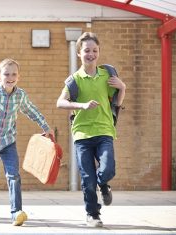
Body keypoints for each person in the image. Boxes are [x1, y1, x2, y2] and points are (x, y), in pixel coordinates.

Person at [0, 58, 54, 226]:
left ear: (18, 76)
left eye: (14, 74)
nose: (10, 77)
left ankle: (16, 212)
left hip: (8, 142)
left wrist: (46, 127)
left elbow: (31, 110)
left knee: (13, 175)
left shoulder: (20, 95)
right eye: (6, 74)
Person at [56, 32, 126, 228]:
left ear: (99, 52)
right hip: (82, 133)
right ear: (79, 53)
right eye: (87, 50)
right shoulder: (74, 80)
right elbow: (60, 103)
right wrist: (82, 105)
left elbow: (117, 103)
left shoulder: (107, 75)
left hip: (105, 130)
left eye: (95, 50)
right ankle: (93, 214)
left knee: (108, 168)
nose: (91, 54)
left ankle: (103, 184)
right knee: (87, 179)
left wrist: (123, 88)